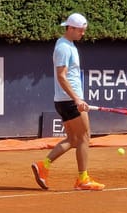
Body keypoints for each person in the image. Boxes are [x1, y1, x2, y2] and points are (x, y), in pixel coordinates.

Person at [31, 13, 105, 191]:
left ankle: (43, 166)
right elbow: (61, 76)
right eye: (80, 30)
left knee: (73, 139)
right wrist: (77, 99)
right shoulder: (64, 48)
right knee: (84, 138)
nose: (83, 33)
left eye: (84, 30)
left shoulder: (67, 45)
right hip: (70, 100)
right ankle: (83, 180)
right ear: (70, 28)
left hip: (64, 100)